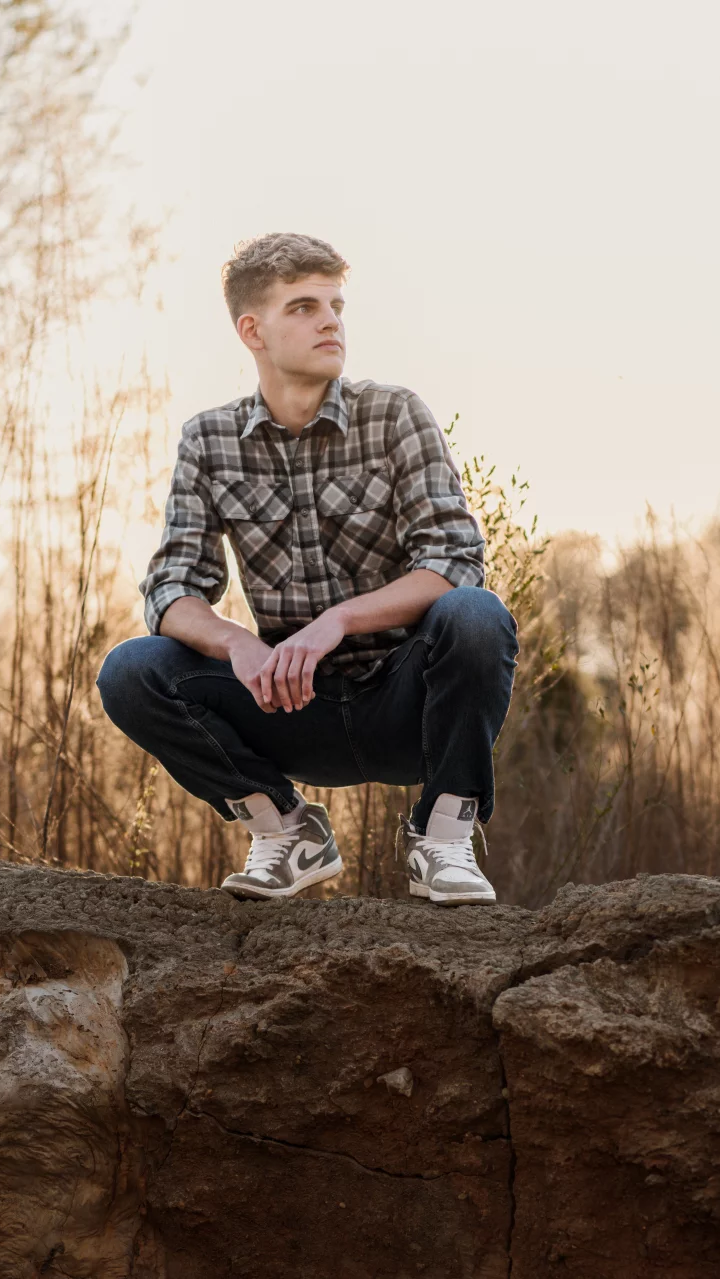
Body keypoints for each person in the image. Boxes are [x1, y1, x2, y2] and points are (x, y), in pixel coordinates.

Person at [96, 233, 518, 905]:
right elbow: (172, 588)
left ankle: (442, 836)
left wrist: (336, 621)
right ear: (251, 329)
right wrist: (240, 643)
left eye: (336, 304)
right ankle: (287, 829)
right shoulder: (208, 441)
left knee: (477, 615)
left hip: (407, 703)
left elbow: (455, 560)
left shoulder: (395, 415)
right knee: (132, 668)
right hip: (291, 704)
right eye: (303, 306)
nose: (330, 321)